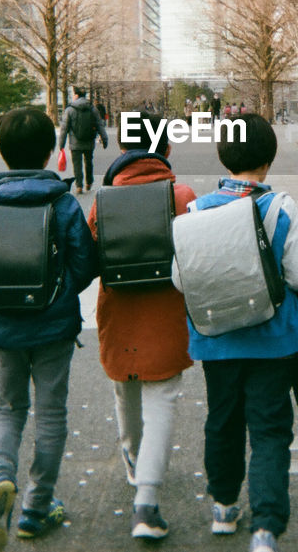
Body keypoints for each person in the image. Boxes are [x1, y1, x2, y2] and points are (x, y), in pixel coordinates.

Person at [0, 107, 96, 551]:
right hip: (52, 327)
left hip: (0, 326)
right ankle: (37, 508)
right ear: (50, 151)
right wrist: (56, 291)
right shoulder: (62, 203)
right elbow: (85, 264)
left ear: (2, 152)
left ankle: (0, 480)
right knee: (51, 414)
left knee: (6, 408)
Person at [178, 112, 298, 552]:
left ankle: (223, 506)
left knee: (222, 419)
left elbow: (180, 279)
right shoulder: (279, 206)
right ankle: (266, 526)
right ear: (269, 158)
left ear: (223, 157)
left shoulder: (196, 210)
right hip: (272, 339)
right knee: (270, 427)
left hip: (218, 339)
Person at [85, 111, 197, 540]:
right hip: (166, 316)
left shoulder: (103, 200)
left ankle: (134, 461)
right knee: (162, 398)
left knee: (125, 388)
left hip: (118, 316)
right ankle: (147, 503)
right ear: (166, 150)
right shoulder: (181, 194)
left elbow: (89, 258)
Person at [57, 87, 108, 194]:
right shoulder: (92, 108)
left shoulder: (70, 109)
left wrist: (61, 144)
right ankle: (89, 182)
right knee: (89, 161)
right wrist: (104, 138)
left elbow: (64, 128)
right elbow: (99, 125)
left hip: (75, 142)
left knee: (77, 163)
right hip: (89, 141)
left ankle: (79, 185)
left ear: (76, 95)